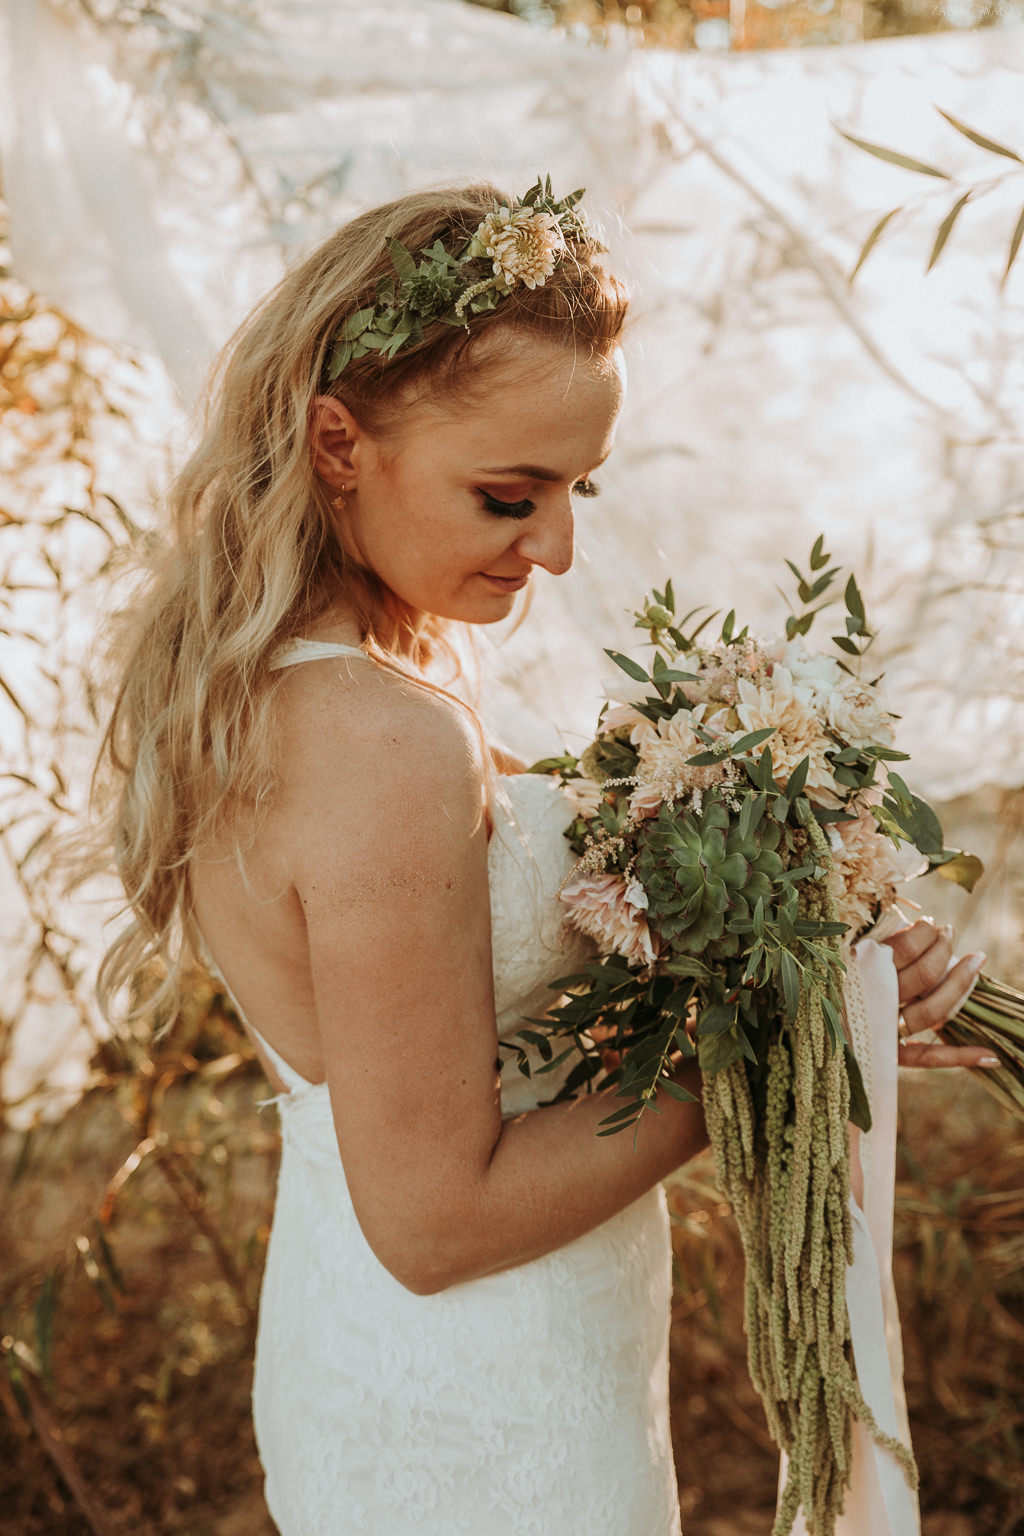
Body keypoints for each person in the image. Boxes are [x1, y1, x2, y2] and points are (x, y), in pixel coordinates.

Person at [91, 180, 995, 1535]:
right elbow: (440, 1219)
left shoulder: (317, 686)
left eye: (576, 489)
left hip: (409, 1359)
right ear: (338, 442)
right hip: (483, 1414)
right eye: (510, 496)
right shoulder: (380, 740)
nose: (559, 548)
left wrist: (802, 934)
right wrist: (790, 1033)